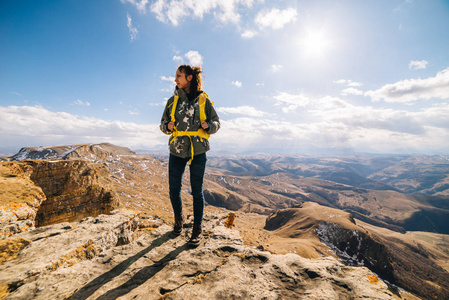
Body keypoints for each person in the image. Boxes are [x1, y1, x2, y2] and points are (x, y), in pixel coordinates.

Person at [160, 64, 220, 246]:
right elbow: (162, 123)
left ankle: (197, 229)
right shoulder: (172, 101)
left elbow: (216, 122)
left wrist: (209, 127)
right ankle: (178, 221)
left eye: (179, 75)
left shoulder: (203, 100)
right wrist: (166, 127)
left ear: (189, 78)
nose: (175, 79)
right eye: (176, 75)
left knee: (197, 191)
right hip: (177, 149)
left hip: (198, 150)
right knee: (173, 188)